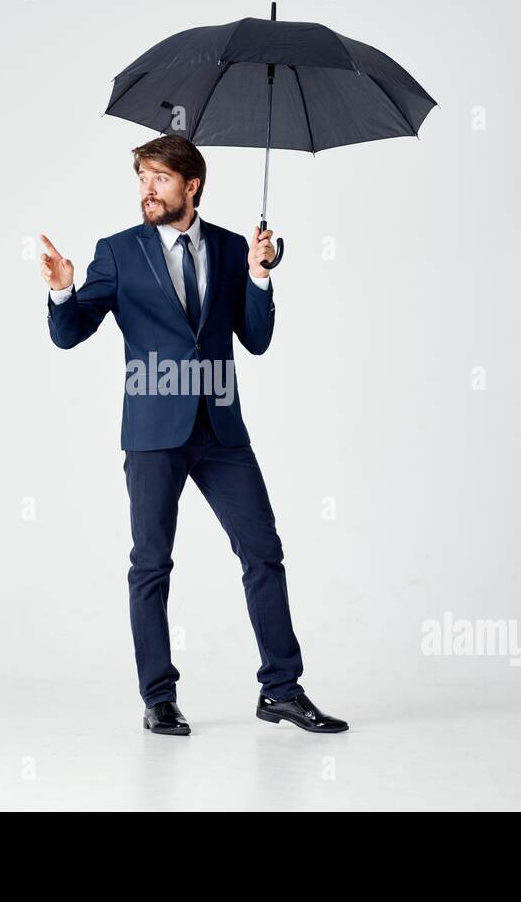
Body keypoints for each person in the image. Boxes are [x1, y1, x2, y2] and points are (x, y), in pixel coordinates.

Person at [39, 134, 348, 735]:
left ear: (191, 185)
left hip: (221, 427)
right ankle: (159, 698)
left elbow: (255, 340)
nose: (146, 191)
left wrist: (260, 277)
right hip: (153, 429)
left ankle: (281, 690)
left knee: (262, 551)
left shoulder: (234, 249)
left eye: (158, 179)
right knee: (151, 564)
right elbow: (69, 334)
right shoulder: (119, 252)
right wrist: (61, 289)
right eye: (142, 179)